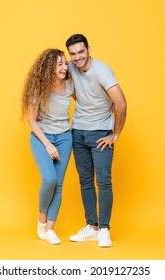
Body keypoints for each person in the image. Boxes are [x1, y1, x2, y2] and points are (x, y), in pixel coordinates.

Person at [65, 34, 127, 247]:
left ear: (89, 49)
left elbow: (121, 103)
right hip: (78, 132)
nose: (77, 57)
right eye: (73, 54)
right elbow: (60, 86)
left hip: (100, 133)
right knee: (85, 181)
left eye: (81, 52)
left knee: (103, 180)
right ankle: (91, 227)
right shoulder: (71, 67)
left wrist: (115, 134)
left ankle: (104, 230)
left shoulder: (102, 70)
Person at [21, 49, 74, 245]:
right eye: (59, 64)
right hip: (41, 137)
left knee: (58, 184)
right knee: (49, 179)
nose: (64, 68)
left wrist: (106, 104)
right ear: (49, 67)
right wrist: (48, 145)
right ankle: (41, 218)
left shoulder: (70, 84)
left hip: (64, 137)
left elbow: (86, 98)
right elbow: (31, 120)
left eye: (65, 64)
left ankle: (50, 229)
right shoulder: (39, 87)